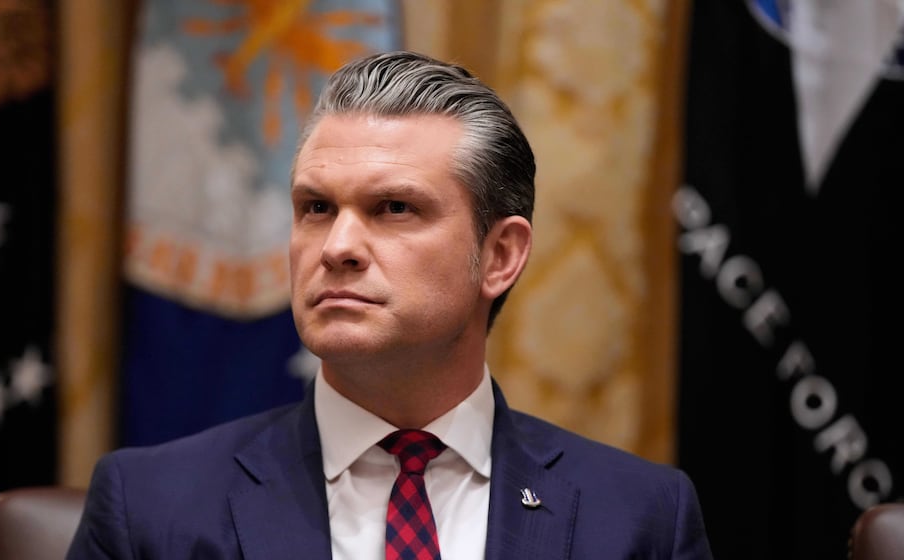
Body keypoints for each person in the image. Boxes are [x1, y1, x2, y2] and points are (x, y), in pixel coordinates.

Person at [67, 50, 713, 559]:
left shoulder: (639, 518)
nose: (338, 246)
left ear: (500, 256)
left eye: (394, 208)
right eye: (316, 208)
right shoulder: (149, 510)